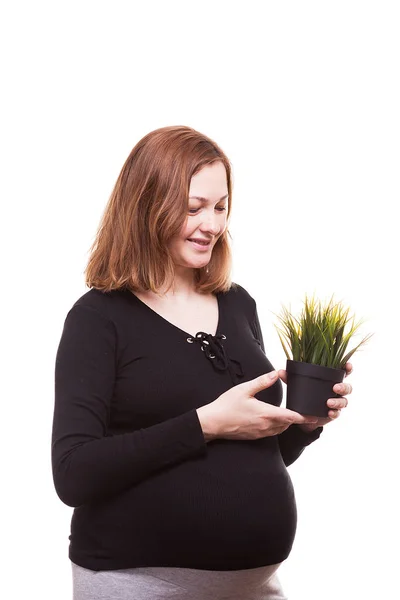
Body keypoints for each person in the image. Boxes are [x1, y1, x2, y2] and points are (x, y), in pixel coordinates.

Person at [51, 125, 353, 600]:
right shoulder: (98, 318)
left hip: (254, 585)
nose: (211, 224)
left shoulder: (237, 304)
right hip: (140, 584)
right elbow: (73, 473)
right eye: (193, 208)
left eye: (220, 207)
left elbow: (260, 455)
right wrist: (205, 423)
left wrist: (304, 424)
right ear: (147, 206)